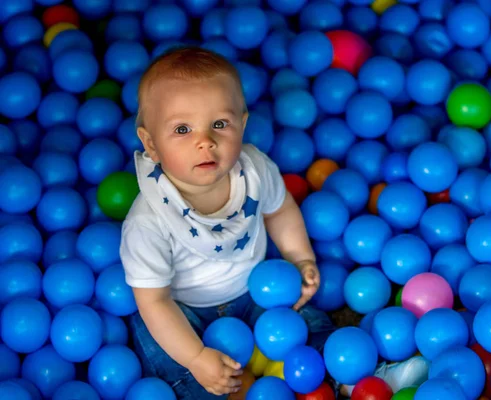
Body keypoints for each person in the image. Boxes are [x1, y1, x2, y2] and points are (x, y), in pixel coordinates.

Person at [119, 46, 335, 399]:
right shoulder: (148, 221)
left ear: (242, 123)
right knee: (166, 353)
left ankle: (342, 378)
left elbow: (279, 210)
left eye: (220, 124)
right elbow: (155, 301)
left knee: (307, 326)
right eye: (182, 129)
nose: (205, 141)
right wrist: (197, 356)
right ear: (151, 143)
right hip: (183, 311)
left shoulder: (254, 169)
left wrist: (300, 258)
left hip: (255, 290)